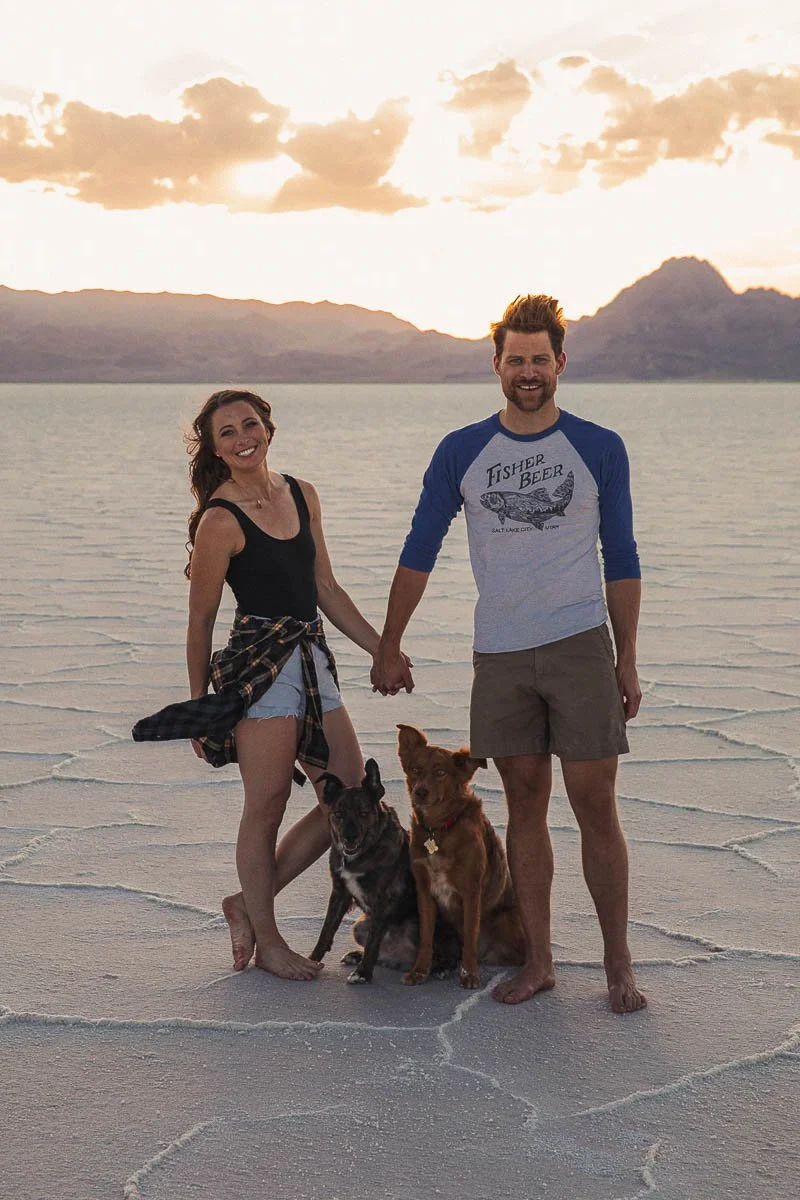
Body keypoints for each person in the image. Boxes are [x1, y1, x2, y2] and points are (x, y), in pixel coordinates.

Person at [372, 295, 646, 1013]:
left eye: (540, 359)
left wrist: (626, 658)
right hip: (499, 655)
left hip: (580, 646)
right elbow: (418, 549)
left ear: (561, 361)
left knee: (596, 807)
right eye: (515, 360)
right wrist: (391, 642)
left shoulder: (598, 446)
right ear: (497, 365)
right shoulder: (463, 451)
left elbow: (621, 555)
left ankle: (619, 963)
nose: (529, 372)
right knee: (525, 807)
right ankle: (541, 961)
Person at [135, 388, 407, 982]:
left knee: (352, 792)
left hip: (312, 657)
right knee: (266, 807)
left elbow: (327, 590)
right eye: (226, 432)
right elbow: (200, 620)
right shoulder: (219, 520)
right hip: (258, 669)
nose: (241, 438)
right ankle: (268, 939)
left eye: (249, 425)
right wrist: (203, 707)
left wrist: (383, 649)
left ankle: (245, 905)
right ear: (214, 448)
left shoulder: (303, 495)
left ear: (268, 428)